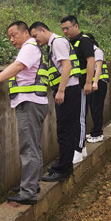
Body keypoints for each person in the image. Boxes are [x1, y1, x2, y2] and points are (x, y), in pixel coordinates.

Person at [0, 21, 48, 205]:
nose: (11, 39)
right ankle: (32, 185)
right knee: (34, 146)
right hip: (35, 102)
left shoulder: (29, 47)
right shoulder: (33, 48)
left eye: (14, 35)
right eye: (9, 36)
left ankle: (28, 193)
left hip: (29, 103)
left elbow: (18, 66)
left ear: (25, 33)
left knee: (28, 148)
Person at [29, 21, 81, 182]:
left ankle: (64, 169)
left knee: (65, 130)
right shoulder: (55, 44)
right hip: (68, 90)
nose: (35, 40)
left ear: (43, 30)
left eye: (35, 36)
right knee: (65, 129)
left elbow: (67, 67)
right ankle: (63, 165)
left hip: (68, 91)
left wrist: (61, 90)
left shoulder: (57, 42)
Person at [60, 16, 95, 163]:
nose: (65, 31)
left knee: (79, 117)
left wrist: (88, 82)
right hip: (72, 85)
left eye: (67, 28)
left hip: (81, 85)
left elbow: (91, 61)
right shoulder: (70, 43)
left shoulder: (84, 40)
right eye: (63, 29)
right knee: (74, 117)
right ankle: (83, 147)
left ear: (76, 26)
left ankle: (78, 149)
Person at [85, 33, 109, 142]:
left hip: (99, 83)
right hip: (94, 83)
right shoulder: (89, 53)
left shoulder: (97, 51)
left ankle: (98, 134)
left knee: (97, 108)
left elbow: (98, 67)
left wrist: (95, 83)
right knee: (93, 108)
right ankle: (95, 131)